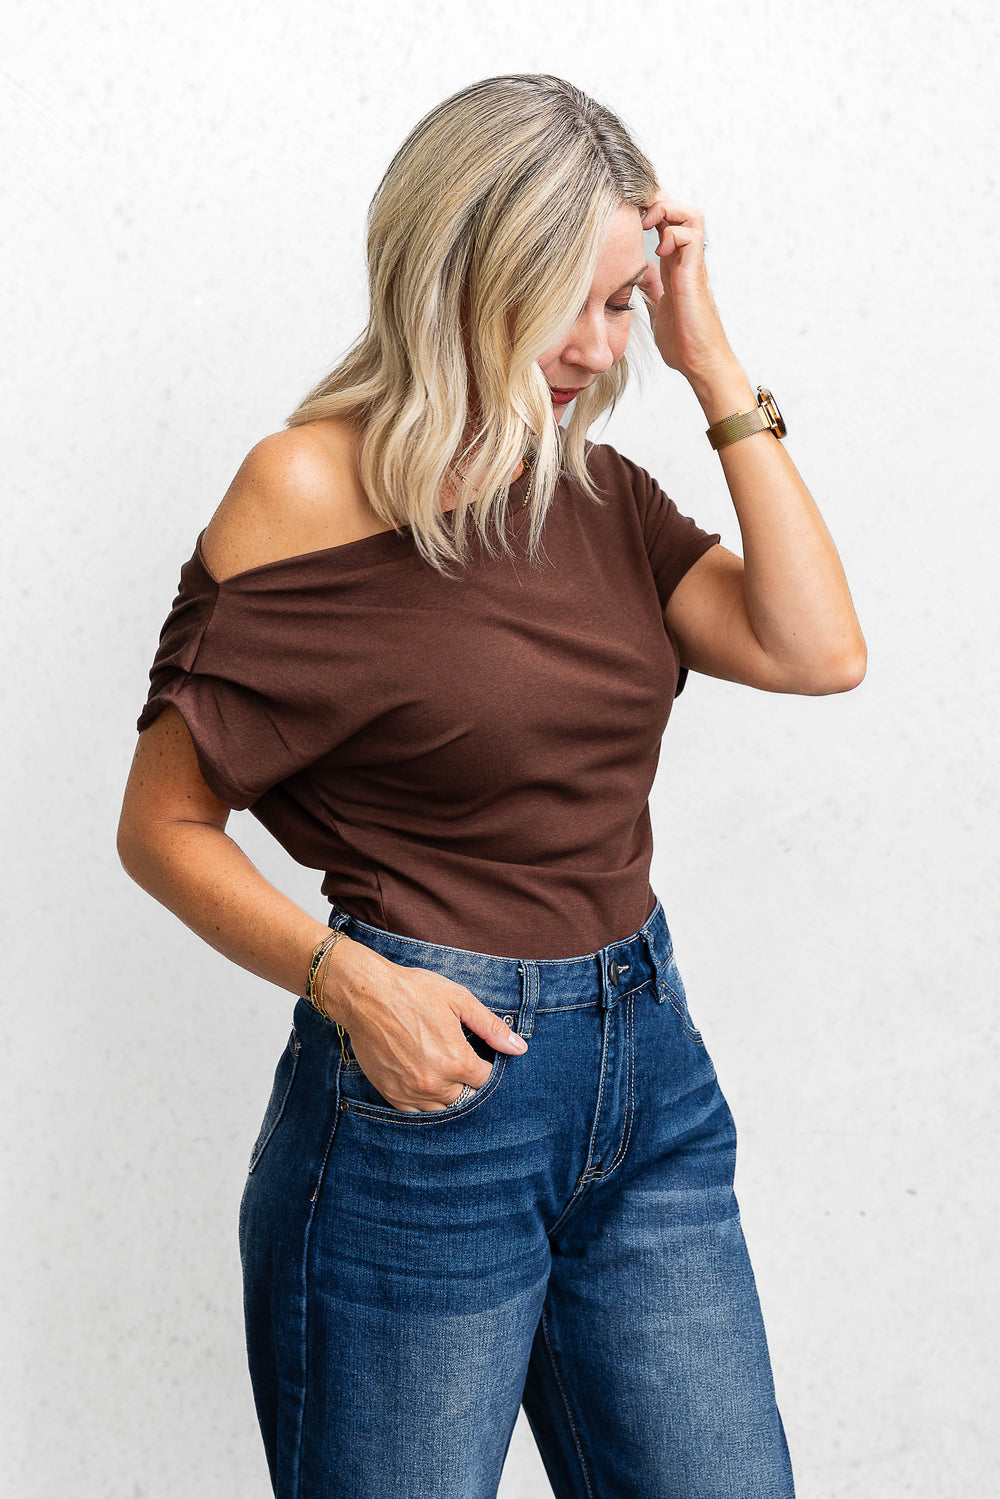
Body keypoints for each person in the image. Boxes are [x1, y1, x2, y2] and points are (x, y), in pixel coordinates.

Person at [117, 72, 865, 1499]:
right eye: (561, 301)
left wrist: (715, 371)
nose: (599, 346)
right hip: (429, 1103)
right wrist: (354, 986)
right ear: (459, 277)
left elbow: (818, 651)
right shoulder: (303, 490)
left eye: (623, 302)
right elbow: (160, 826)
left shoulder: (597, 494)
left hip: (651, 1082)